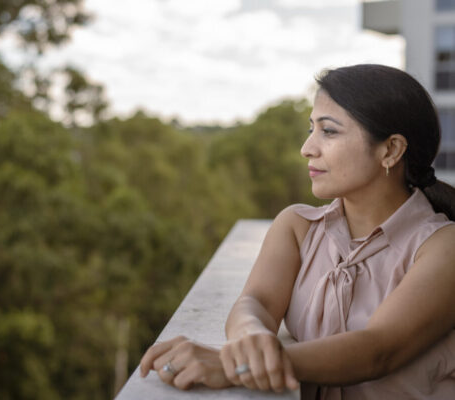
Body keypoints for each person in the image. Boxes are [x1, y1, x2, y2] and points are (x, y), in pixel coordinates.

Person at [139, 64, 455, 399]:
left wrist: (234, 365)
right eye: (311, 129)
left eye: (329, 132)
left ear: (390, 150)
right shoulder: (296, 226)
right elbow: (255, 301)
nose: (307, 148)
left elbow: (378, 349)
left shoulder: (441, 246)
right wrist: (250, 338)